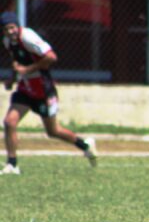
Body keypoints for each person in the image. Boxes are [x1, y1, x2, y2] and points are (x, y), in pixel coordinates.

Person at [1, 12, 97, 174]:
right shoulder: (7, 42)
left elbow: (51, 57)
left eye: (12, 28)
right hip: (26, 88)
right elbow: (18, 61)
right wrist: (13, 78)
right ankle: (12, 164)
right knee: (10, 122)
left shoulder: (28, 37)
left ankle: (85, 145)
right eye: (5, 29)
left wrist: (27, 69)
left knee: (53, 131)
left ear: (17, 26)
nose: (10, 32)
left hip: (43, 90)